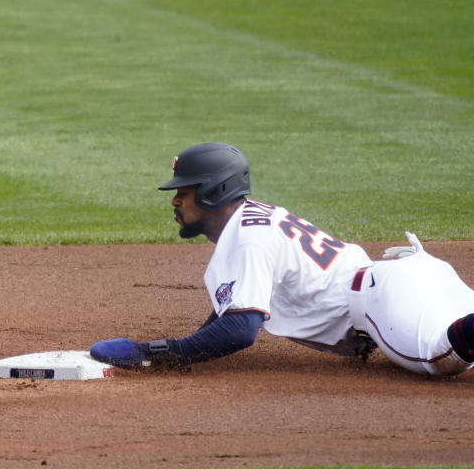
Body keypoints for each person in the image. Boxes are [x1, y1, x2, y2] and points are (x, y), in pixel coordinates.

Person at [90, 142, 474, 377]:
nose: (174, 201)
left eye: (184, 192)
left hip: (387, 299)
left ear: (212, 193)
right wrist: (188, 345)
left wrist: (154, 354)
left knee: (444, 357)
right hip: (413, 277)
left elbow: (240, 330)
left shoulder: (246, 239)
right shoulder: (253, 219)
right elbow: (232, 312)